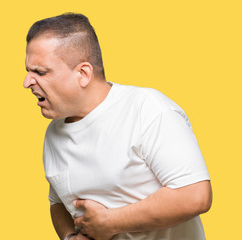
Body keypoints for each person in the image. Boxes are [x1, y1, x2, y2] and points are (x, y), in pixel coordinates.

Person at [23, 13, 212, 240]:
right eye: (28, 72)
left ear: (83, 74)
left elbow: (194, 195)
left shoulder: (148, 109)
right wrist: (70, 237)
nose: (27, 82)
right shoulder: (54, 132)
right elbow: (58, 203)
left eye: (40, 72)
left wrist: (108, 222)